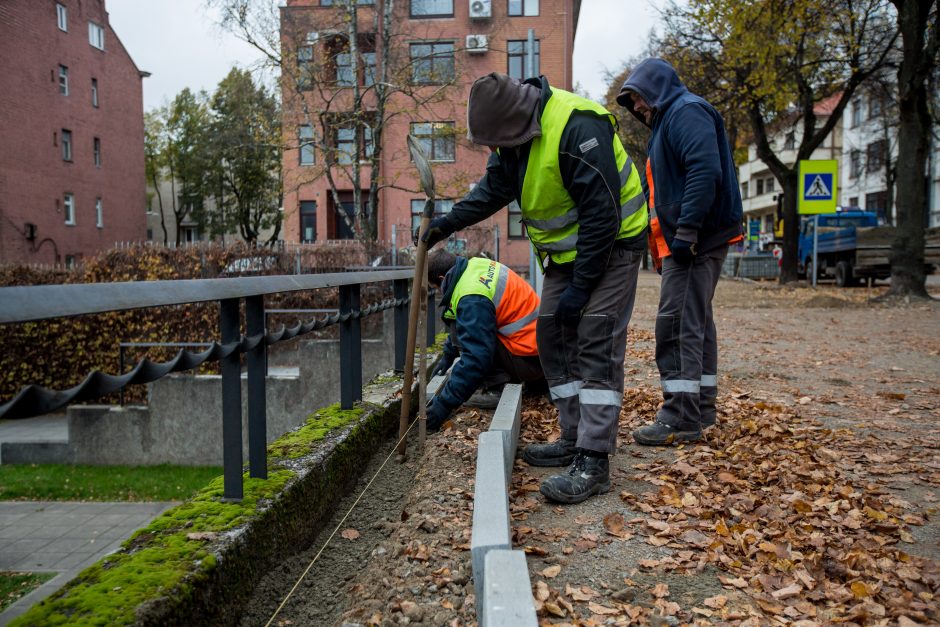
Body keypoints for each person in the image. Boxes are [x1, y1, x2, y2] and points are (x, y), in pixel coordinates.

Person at [422, 72, 648, 504]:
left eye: (495, 145)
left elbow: (603, 217)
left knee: (595, 338)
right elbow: (492, 190)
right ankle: (571, 437)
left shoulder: (578, 128)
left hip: (615, 245)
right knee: (551, 336)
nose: (494, 153)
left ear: (516, 125)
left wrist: (581, 290)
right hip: (565, 256)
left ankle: (593, 459)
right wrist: (445, 224)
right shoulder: (511, 142)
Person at [616, 58, 743, 446]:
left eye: (638, 98)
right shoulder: (671, 121)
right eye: (632, 101)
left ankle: (680, 417)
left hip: (695, 240)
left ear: (657, 88)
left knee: (675, 325)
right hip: (694, 239)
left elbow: (705, 171)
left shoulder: (686, 112)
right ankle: (700, 408)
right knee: (696, 322)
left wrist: (686, 232)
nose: (637, 107)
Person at [425, 250, 546, 429]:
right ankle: (504, 379)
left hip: (529, 359)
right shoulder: (475, 266)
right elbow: (462, 324)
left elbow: (476, 357)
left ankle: (496, 388)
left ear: (442, 278)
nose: (438, 293)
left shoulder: (471, 297)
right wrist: (448, 355)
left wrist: (444, 404)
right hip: (538, 352)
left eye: (435, 288)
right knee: (472, 332)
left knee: (476, 345)